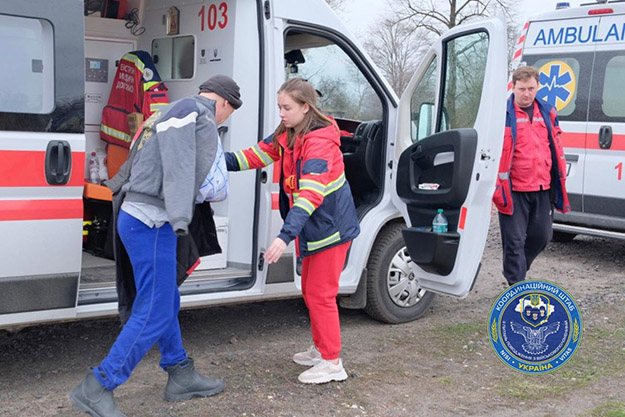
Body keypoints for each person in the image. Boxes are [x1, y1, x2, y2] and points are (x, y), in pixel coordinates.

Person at [70, 75, 243, 417]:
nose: (225, 119)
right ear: (224, 102)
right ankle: (99, 384)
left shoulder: (170, 111)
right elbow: (183, 168)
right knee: (154, 308)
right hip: (151, 221)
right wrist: (181, 216)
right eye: (229, 113)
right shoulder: (200, 116)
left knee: (165, 299)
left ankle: (180, 373)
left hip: (138, 216)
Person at [225, 78, 360, 384]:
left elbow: (311, 195)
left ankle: (332, 363)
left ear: (305, 107)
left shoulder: (319, 143)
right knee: (311, 291)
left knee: (320, 294)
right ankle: (321, 348)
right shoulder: (288, 134)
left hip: (331, 228)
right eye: (279, 107)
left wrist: (284, 236)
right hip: (315, 227)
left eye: (287, 108)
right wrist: (219, 162)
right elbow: (256, 155)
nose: (282, 114)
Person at [493, 66, 570, 286]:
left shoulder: (547, 111)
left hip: (542, 187)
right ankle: (516, 286)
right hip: (513, 189)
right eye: (522, 88)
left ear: (538, 87)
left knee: (542, 237)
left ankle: (515, 268)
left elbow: (554, 146)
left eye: (531, 88)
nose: (527, 93)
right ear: (513, 87)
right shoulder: (502, 114)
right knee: (514, 241)